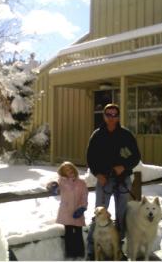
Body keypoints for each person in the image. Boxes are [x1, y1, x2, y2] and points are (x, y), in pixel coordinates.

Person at [86, 103, 141, 260]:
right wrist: (98, 174)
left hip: (123, 179)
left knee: (122, 215)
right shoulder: (97, 135)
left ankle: (118, 249)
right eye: (108, 114)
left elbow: (136, 157)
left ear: (118, 117)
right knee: (98, 214)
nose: (111, 118)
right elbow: (90, 158)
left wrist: (124, 166)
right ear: (104, 116)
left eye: (114, 115)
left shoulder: (126, 135)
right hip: (104, 180)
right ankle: (92, 249)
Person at [55, 161, 89, 259]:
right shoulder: (61, 182)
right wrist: (52, 185)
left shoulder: (81, 183)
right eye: (66, 170)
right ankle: (70, 254)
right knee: (69, 233)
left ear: (74, 169)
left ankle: (80, 253)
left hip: (78, 211)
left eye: (70, 169)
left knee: (78, 232)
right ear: (63, 172)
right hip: (66, 211)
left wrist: (82, 207)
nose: (69, 171)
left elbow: (84, 196)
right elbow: (53, 185)